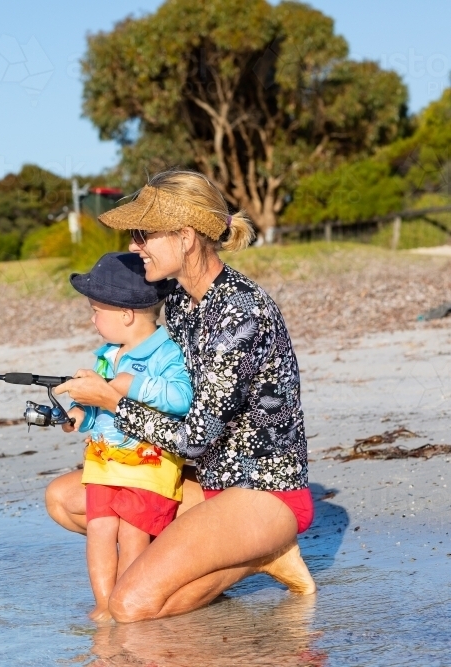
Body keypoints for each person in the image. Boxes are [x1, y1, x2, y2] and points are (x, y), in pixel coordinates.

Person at [50, 169, 316, 623]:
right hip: (205, 480)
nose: (135, 245)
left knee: (130, 608)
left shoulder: (240, 314)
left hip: (264, 492)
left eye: (143, 234)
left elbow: (194, 438)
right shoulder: (179, 300)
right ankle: (222, 558)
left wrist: (114, 402)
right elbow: (129, 320)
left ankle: (261, 554)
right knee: (65, 498)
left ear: (187, 237)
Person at [63, 252, 193, 622]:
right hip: (103, 464)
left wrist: (130, 384)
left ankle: (127, 603)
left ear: (126, 315)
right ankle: (104, 607)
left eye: (96, 311)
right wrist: (78, 417)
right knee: (99, 530)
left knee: (134, 536)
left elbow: (181, 398)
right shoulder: (106, 355)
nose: (92, 319)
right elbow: (98, 412)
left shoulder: (167, 352)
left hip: (148, 469)